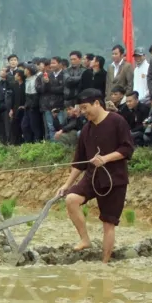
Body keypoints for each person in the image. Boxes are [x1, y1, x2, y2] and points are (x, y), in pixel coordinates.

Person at [55, 89, 135, 263]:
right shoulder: (86, 129)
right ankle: (85, 239)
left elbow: (127, 149)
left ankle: (105, 263)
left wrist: (105, 158)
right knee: (71, 199)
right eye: (81, 109)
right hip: (92, 177)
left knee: (108, 223)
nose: (83, 112)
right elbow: (79, 161)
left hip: (114, 180)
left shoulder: (117, 121)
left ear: (97, 103)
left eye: (85, 108)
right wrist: (67, 184)